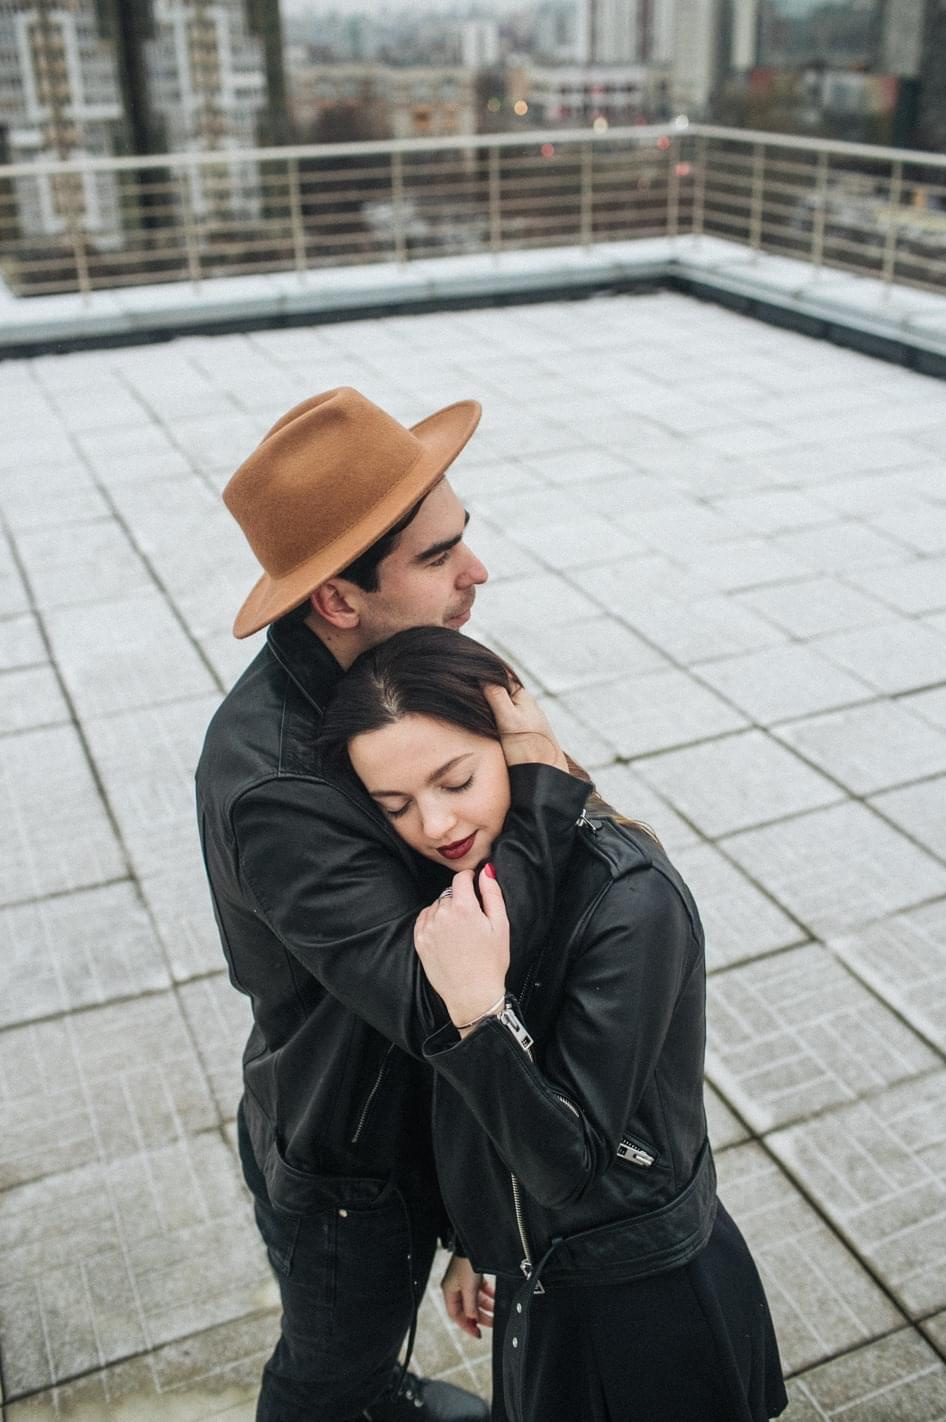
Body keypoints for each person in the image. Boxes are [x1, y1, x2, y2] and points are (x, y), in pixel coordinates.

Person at [195, 387, 591, 1422]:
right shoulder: (276, 787)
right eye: (436, 557)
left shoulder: (383, 678)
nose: (477, 572)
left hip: (416, 1118)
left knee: (363, 1361)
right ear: (336, 599)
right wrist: (541, 782)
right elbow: (436, 993)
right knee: (328, 1382)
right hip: (347, 1165)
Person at [319, 626, 789, 1422]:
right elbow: (475, 1110)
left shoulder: (630, 901)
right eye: (396, 806)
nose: (435, 825)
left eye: (456, 780)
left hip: (644, 1294)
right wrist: (477, 1239)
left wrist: (477, 1012)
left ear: (516, 747)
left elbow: (567, 1161)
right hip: (542, 1281)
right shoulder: (470, 882)